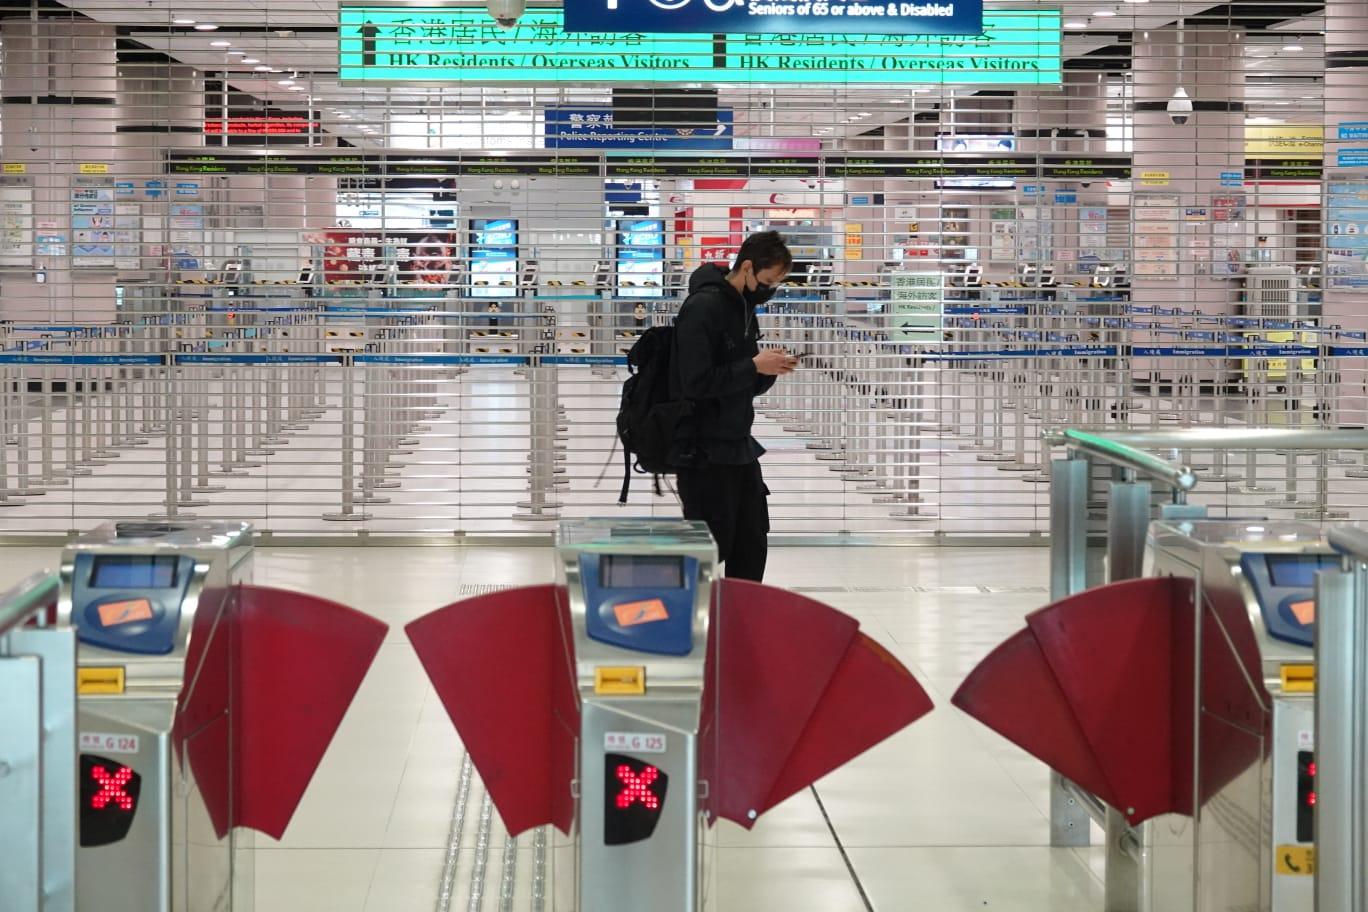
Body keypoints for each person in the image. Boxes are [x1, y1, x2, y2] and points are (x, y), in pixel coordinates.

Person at [670, 230, 797, 582]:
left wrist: (769, 370)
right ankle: (699, 615)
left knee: (751, 544)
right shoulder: (702, 308)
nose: (769, 291)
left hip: (739, 446)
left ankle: (742, 613)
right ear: (747, 267)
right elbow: (695, 382)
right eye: (768, 282)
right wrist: (753, 366)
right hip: (703, 451)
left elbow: (743, 381)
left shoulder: (745, 309)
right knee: (708, 553)